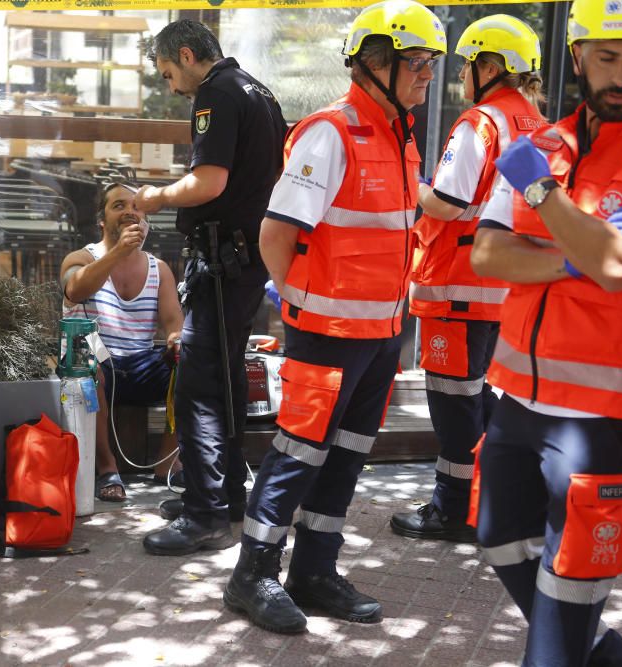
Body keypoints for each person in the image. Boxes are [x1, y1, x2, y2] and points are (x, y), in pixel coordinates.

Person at [223, 0, 447, 634]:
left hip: (380, 338)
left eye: (431, 62)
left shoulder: (398, 137)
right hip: (326, 336)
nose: (429, 74)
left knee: (347, 456)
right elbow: (275, 235)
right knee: (298, 453)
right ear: (375, 64)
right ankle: (253, 574)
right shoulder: (331, 133)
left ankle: (314, 571)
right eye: (418, 62)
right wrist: (299, 308)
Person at [469, 0, 622, 663]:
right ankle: (605, 657)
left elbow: (621, 266)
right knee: (498, 537)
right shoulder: (540, 145)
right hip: (517, 401)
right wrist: (577, 259)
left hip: (604, 420)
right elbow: (487, 255)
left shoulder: (532, 165)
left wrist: (542, 197)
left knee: (561, 617)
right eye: (607, 58)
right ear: (577, 59)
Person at [133, 19, 287, 556]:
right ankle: (226, 496)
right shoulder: (258, 91)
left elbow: (209, 181)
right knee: (226, 378)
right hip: (248, 258)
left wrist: (156, 197)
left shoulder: (216, 94)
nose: (172, 86)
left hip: (224, 262)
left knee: (201, 385)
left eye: (170, 72)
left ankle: (204, 517)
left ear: (188, 55)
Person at [390, 15, 546, 543]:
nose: (459, 73)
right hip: (503, 291)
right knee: (482, 398)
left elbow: (450, 202)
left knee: (455, 405)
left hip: (457, 287)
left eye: (466, 63)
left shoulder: (479, 122)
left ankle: (453, 510)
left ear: (491, 66)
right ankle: (495, 502)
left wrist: (409, 184)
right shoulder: (537, 125)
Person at [61, 182, 184, 502]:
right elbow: (75, 290)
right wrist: (118, 251)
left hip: (140, 364)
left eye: (137, 207)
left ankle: (167, 463)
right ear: (102, 220)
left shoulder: (160, 269)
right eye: (119, 206)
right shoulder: (80, 257)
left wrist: (176, 341)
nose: (130, 211)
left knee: (193, 358)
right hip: (100, 366)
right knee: (80, 357)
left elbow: (174, 324)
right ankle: (107, 469)